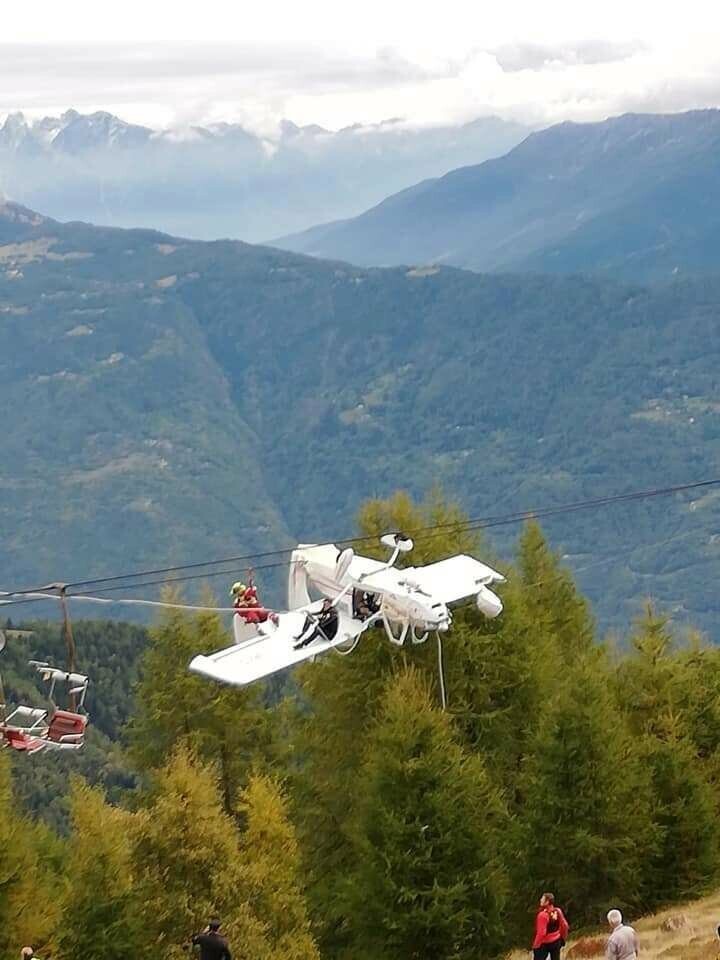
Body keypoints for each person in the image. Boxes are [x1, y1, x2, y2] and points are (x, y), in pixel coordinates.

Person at [532, 892, 569, 960]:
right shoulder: (558, 911)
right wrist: (563, 939)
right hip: (556, 941)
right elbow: (565, 926)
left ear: (547, 902)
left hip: (544, 944)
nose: (540, 900)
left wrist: (535, 945)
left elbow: (541, 933)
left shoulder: (542, 915)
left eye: (542, 899)